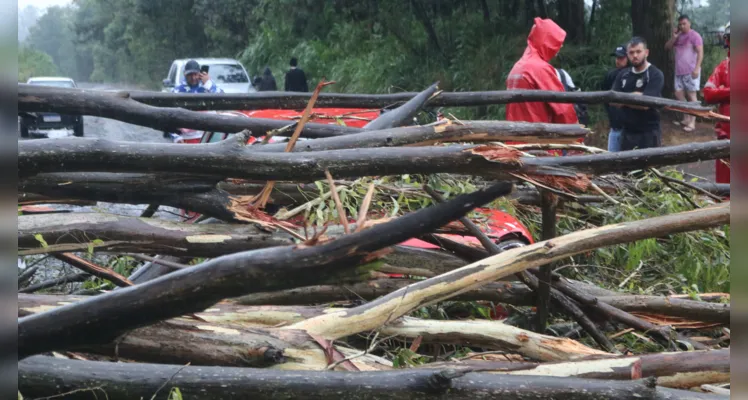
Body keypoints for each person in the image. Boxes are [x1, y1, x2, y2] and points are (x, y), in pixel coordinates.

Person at [505, 17, 578, 125]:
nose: (560, 46)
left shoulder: (517, 66)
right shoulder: (540, 69)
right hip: (536, 136)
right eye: (556, 42)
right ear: (547, 42)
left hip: (515, 136)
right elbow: (562, 109)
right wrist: (576, 134)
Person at [612, 37, 665, 151]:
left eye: (638, 51)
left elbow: (645, 103)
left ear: (646, 52)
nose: (635, 55)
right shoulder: (623, 74)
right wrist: (635, 96)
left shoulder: (655, 74)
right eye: (631, 52)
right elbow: (613, 100)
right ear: (627, 54)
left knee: (649, 168)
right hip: (626, 133)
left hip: (649, 133)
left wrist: (624, 99)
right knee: (626, 168)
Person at [665, 15, 704, 132]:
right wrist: (674, 38)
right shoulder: (678, 36)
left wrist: (697, 68)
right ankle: (686, 118)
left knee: (692, 96)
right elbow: (667, 47)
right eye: (680, 24)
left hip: (691, 70)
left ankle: (693, 122)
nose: (682, 26)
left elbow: (700, 53)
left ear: (689, 23)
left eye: (684, 23)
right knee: (678, 94)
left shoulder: (695, 36)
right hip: (679, 71)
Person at [702, 23, 730, 184]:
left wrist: (724, 91)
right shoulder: (722, 67)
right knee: (724, 188)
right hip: (726, 135)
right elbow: (708, 94)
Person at [601, 44, 630, 152]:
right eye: (617, 57)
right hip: (615, 125)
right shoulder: (610, 74)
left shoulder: (633, 74)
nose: (618, 60)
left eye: (621, 58)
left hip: (629, 127)